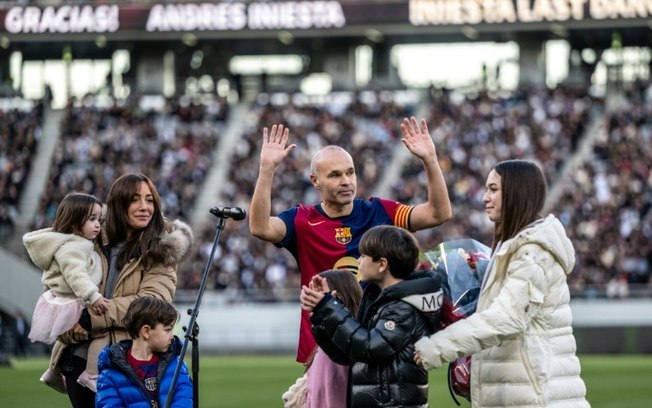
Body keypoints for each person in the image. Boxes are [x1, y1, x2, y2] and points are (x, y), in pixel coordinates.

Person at [249, 118, 452, 363]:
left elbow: (438, 213)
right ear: (315, 181)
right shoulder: (302, 221)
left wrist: (430, 160)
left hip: (377, 339)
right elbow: (260, 227)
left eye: (350, 172)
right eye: (335, 175)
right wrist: (267, 170)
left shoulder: (380, 212)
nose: (346, 181)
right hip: (323, 347)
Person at [413, 160, 591, 407]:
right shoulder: (515, 247)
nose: (485, 197)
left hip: (538, 398)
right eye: (486, 189)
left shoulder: (533, 253)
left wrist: (435, 348)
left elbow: (505, 319)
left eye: (493, 189)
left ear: (517, 193)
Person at [50, 173, 194, 408]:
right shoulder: (89, 238)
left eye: (150, 200)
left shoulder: (162, 249)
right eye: (135, 199)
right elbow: (60, 288)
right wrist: (69, 325)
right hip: (78, 357)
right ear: (118, 203)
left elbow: (151, 303)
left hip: (127, 362)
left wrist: (89, 319)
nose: (144, 207)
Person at [300, 225, 445, 407]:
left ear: (382, 264)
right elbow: (348, 355)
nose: (358, 261)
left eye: (363, 256)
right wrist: (321, 314)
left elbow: (368, 347)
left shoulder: (402, 308)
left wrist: (330, 307)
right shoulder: (381, 301)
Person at [23, 192, 109, 393]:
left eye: (99, 219)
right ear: (74, 221)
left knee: (64, 341)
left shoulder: (72, 243)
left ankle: (53, 371)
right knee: (102, 333)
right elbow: (76, 275)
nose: (98, 225)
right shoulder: (72, 247)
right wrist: (93, 296)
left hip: (64, 299)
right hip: (74, 300)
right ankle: (90, 374)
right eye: (92, 219)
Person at [282, 270, 362, 408]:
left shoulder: (347, 342)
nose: (308, 305)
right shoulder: (325, 341)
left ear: (338, 298)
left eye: (316, 296)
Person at [95, 296, 192, 407]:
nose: (172, 336)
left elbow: (184, 400)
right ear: (146, 331)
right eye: (168, 330)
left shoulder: (176, 365)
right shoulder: (110, 373)